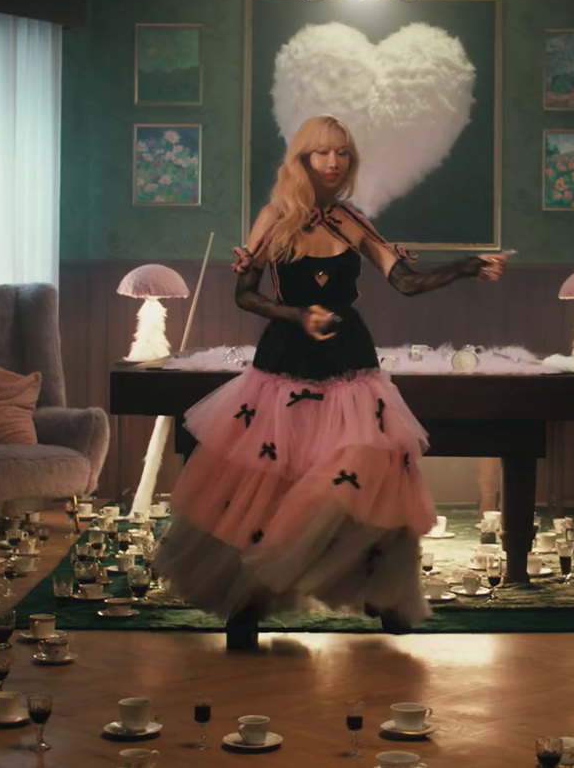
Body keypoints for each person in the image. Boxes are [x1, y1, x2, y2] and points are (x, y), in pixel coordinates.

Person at [153, 114, 507, 649]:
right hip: (283, 369)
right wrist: (299, 316)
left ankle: (384, 596)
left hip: (351, 368)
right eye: (321, 152)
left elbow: (405, 281)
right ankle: (246, 605)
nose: (333, 162)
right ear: (301, 160)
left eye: (342, 153)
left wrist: (466, 266)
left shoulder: (352, 222)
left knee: (371, 474)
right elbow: (245, 295)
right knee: (266, 486)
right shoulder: (274, 219)